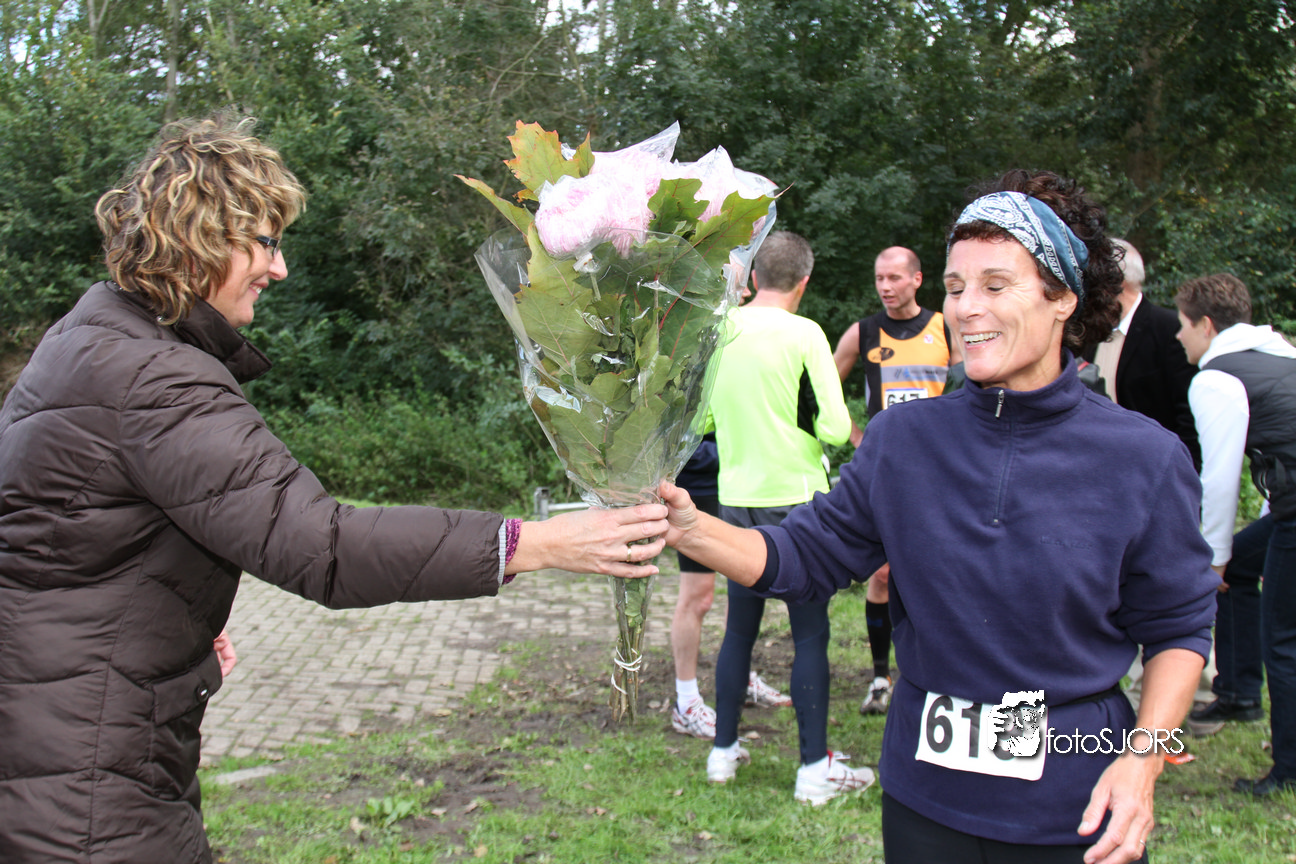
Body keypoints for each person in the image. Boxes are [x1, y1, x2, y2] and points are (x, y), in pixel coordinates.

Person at [0, 113, 671, 864]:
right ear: (202, 235)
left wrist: (169, 619)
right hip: (88, 786)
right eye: (266, 242)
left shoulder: (85, 342)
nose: (279, 268)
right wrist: (532, 543)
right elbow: (322, 546)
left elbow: (54, 540)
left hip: (57, 738)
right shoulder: (152, 377)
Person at [659, 171, 1217, 863]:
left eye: (995, 285)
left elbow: (1179, 629)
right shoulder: (904, 440)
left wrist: (1145, 758)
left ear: (1062, 299)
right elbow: (804, 557)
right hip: (923, 804)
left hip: (1075, 811)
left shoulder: (1143, 458)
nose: (966, 309)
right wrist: (689, 527)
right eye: (955, 288)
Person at [702, 230, 872, 804]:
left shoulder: (721, 329)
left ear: (754, 278)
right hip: (796, 502)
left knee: (739, 630)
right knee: (810, 635)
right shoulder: (806, 333)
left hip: (735, 498)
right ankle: (812, 771)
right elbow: (834, 428)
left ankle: (722, 753)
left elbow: (701, 422)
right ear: (804, 282)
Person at [1174, 273, 1296, 795]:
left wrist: (1214, 556)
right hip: (1287, 506)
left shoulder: (1216, 378)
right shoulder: (1282, 355)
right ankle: (1240, 693)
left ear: (1205, 324)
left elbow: (1220, 478)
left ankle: (1289, 770)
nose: (1178, 335)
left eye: (1182, 325)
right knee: (1246, 565)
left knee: (1284, 641)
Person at [833, 247, 958, 716]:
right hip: (886, 471)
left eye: (894, 278)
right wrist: (855, 435)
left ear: (917, 280)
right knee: (883, 574)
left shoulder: (946, 327)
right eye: (879, 278)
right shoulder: (863, 332)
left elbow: (977, 387)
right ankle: (879, 678)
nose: (885, 287)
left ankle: (937, 672)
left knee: (939, 572)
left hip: (943, 472)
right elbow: (823, 386)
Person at [669, 434, 792, 739]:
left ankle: (741, 678)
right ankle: (686, 704)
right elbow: (676, 437)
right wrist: (740, 448)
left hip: (742, 486)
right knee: (698, 597)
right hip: (699, 488)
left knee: (745, 590)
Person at [1084, 239, 1200, 469]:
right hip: (1099, 463)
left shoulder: (1169, 330)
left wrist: (1183, 472)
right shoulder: (1090, 330)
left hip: (1153, 466)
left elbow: (1188, 414)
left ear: (1116, 282)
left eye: (1093, 279)